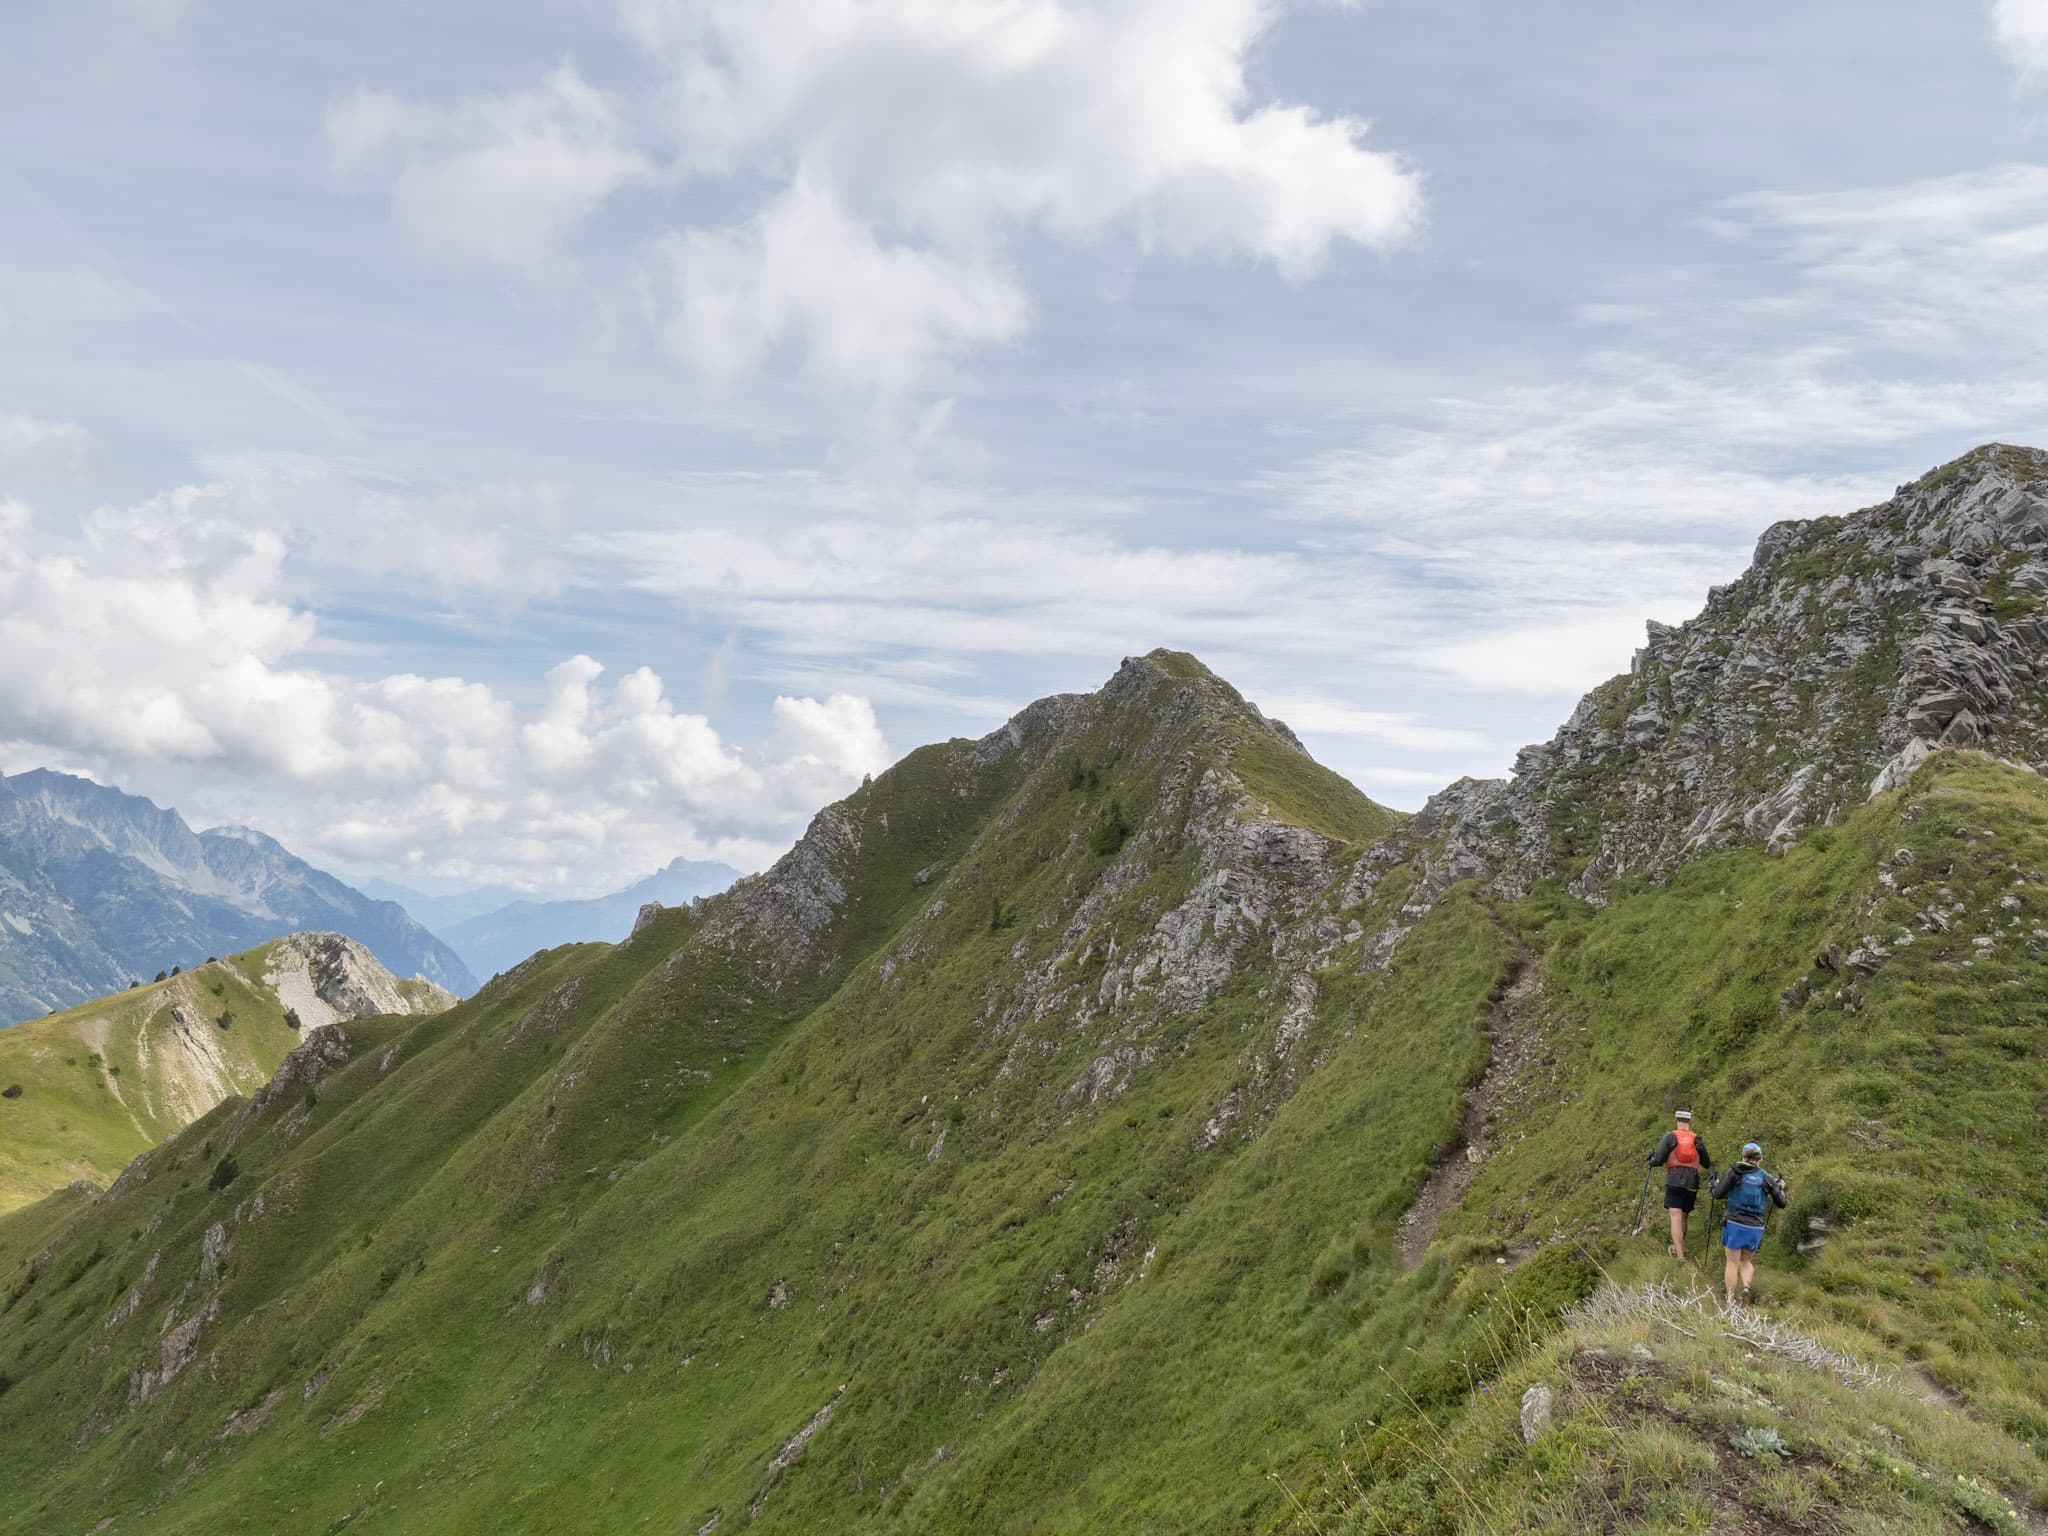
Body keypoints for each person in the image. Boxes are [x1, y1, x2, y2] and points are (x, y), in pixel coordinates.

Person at [1711, 1142, 1789, 1304]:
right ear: (1760, 1159)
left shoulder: (1734, 1171)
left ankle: (1731, 1299)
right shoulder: (1766, 1177)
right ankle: (1746, 1287)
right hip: (1755, 1226)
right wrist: (1781, 1188)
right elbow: (1781, 1203)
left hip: (1734, 1222)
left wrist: (1713, 1185)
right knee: (1746, 1261)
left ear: (1743, 1156)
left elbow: (1718, 1194)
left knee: (1732, 1262)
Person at [1646, 1109, 1713, 1259]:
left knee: (1675, 1216)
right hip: (1692, 1181)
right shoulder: (1697, 1139)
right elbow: (1707, 1163)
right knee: (1684, 1216)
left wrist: (1651, 1161)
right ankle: (1679, 1248)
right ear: (1690, 1122)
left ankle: (1680, 1255)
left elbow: (1658, 1159)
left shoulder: (1670, 1137)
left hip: (1674, 1180)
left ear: (1677, 1120)